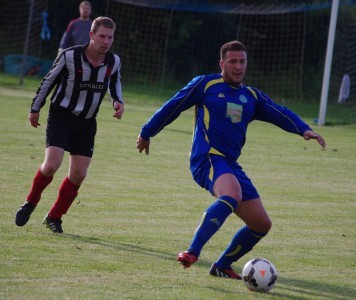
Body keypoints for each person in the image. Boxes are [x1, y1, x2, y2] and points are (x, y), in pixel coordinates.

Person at [136, 41, 326, 279]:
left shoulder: (251, 96)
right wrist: (147, 132)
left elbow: (280, 112)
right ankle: (193, 251)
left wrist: (303, 129)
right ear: (222, 63)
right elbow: (173, 106)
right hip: (207, 158)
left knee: (261, 224)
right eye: (233, 61)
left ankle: (223, 266)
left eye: (242, 61)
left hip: (230, 165)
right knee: (231, 195)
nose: (238, 67)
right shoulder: (206, 85)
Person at [15, 16, 124, 233]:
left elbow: (114, 82)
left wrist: (117, 100)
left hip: (86, 123)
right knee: (51, 165)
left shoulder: (114, 61)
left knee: (79, 174)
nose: (106, 41)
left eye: (110, 37)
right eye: (102, 36)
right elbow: (49, 81)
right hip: (61, 117)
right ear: (91, 35)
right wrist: (35, 108)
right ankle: (30, 202)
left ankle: (54, 217)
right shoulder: (70, 56)